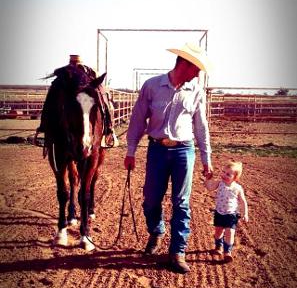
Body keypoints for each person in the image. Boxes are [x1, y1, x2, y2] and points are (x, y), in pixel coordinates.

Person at [124, 43, 213, 274]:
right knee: (151, 199)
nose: (198, 74)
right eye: (196, 68)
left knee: (181, 202)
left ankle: (177, 251)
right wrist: (131, 151)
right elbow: (137, 120)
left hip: (185, 150)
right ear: (184, 64)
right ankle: (156, 230)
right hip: (157, 150)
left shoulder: (195, 90)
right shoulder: (152, 86)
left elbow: (201, 127)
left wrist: (206, 159)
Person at [35, 54, 117, 148]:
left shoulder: (75, 73)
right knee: (103, 94)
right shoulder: (68, 74)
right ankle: (109, 127)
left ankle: (43, 126)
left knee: (51, 96)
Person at [204, 160, 249, 262]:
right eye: (223, 172)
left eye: (228, 174)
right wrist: (207, 179)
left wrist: (245, 213)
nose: (224, 175)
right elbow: (210, 188)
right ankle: (218, 247)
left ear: (235, 177)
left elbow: (243, 201)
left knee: (230, 233)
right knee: (218, 232)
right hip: (219, 213)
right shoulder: (219, 183)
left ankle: (227, 252)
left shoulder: (238, 188)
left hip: (231, 215)